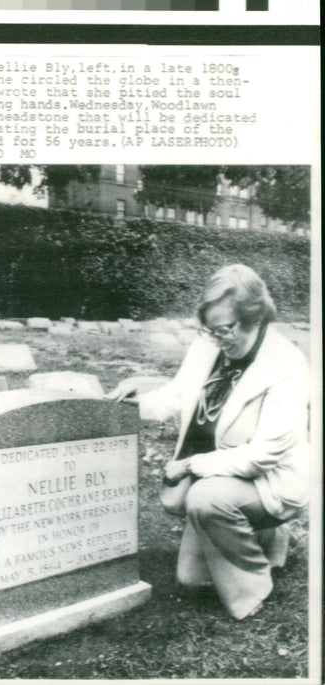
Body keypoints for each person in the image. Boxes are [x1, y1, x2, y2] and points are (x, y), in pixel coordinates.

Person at [108, 264, 309, 620]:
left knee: (204, 499)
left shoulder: (287, 366)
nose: (216, 339)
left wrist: (187, 466)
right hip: (219, 470)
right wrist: (131, 406)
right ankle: (270, 538)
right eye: (209, 329)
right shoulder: (210, 343)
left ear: (255, 317)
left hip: (268, 479)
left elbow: (260, 457)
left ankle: (252, 589)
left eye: (225, 330)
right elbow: (179, 394)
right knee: (191, 578)